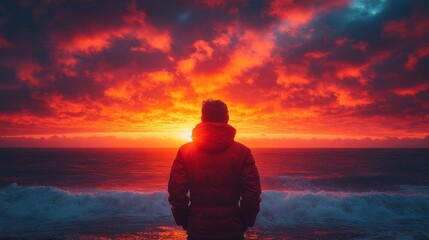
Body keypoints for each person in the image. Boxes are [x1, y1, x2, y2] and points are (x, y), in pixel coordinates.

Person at [168, 99, 261, 240]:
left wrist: (185, 221)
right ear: (227, 119)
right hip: (232, 230)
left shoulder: (185, 152)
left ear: (202, 119)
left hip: (198, 230)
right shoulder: (243, 153)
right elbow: (252, 195)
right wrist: (244, 221)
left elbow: (177, 193)